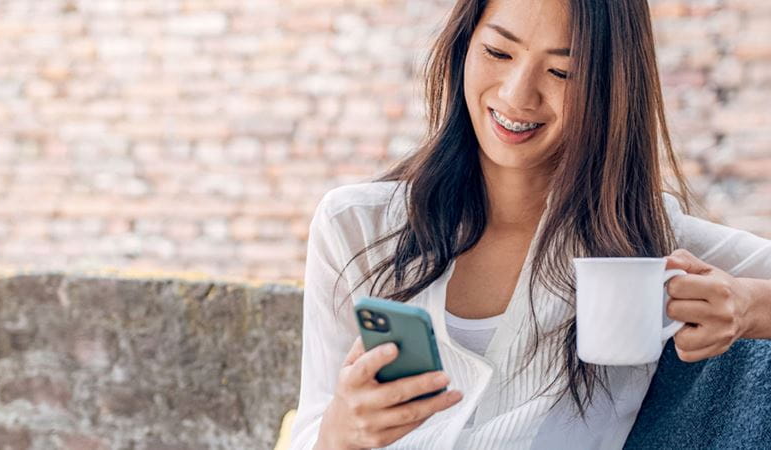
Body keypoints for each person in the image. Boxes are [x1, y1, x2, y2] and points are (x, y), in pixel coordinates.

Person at [290, 0, 771, 448]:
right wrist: (339, 431)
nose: (516, 94)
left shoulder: (643, 241)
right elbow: (312, 430)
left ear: (610, 87)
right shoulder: (356, 226)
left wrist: (747, 306)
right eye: (498, 52)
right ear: (463, 46)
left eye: (562, 72)